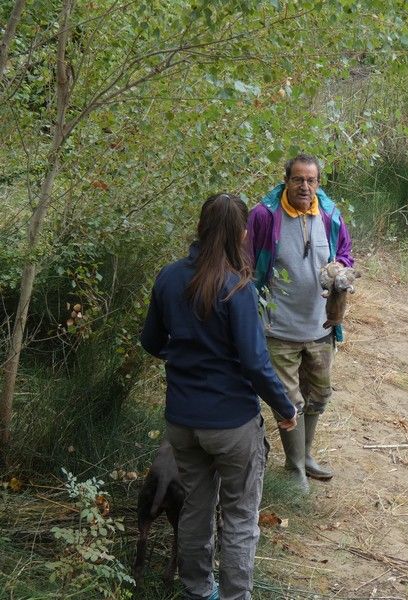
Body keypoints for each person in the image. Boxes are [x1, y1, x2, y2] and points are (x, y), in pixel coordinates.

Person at [141, 193, 297, 600]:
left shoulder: (169, 277)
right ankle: (234, 596)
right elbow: (256, 364)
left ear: (200, 227)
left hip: (182, 422)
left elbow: (151, 341)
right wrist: (285, 409)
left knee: (195, 506)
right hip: (231, 426)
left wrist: (188, 357)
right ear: (242, 233)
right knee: (240, 516)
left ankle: (197, 590)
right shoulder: (238, 288)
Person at [247, 153, 354, 492]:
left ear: (318, 183)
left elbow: (346, 254)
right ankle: (294, 469)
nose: (304, 186)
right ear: (286, 180)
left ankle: (305, 456)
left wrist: (340, 269)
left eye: (311, 180)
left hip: (321, 328)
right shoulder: (265, 216)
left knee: (319, 395)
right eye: (298, 179)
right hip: (278, 328)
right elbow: (247, 266)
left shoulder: (330, 215)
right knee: (288, 401)